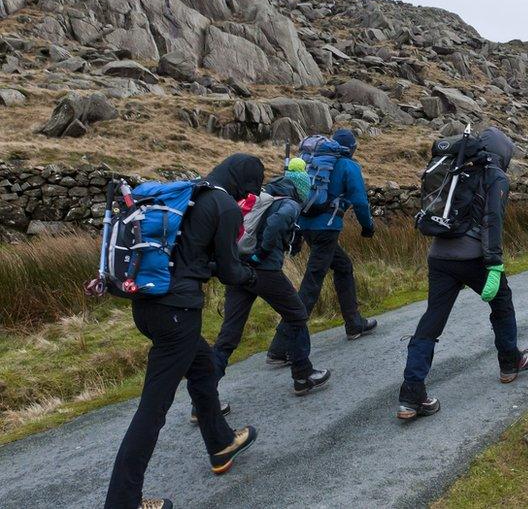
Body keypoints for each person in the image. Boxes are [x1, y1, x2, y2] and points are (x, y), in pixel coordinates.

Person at [105, 154, 263, 509]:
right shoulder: (224, 206)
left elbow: (185, 254)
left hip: (147, 304)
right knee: (153, 409)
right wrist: (253, 277)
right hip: (177, 313)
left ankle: (221, 444)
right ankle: (123, 501)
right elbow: (230, 271)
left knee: (204, 368)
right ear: (242, 182)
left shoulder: (188, 196)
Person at [396, 128, 528, 419]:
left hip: (439, 257)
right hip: (473, 259)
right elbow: (492, 222)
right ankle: (510, 362)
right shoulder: (495, 176)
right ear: (503, 153)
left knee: (432, 321)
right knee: (501, 303)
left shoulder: (457, 170)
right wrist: (495, 265)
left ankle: (411, 395)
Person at [211, 159, 331, 396]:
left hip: (238, 270)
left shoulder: (261, 197)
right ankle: (303, 375)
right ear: (301, 190)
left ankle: (203, 396)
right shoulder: (289, 204)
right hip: (264, 270)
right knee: (296, 314)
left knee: (229, 335)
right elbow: (276, 224)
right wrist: (262, 254)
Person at [266, 129, 377, 367]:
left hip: (305, 224)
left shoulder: (313, 161)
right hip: (327, 228)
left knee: (343, 266)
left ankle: (354, 322)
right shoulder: (348, 166)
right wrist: (368, 226)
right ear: (352, 148)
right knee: (311, 284)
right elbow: (359, 200)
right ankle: (281, 347)